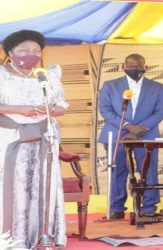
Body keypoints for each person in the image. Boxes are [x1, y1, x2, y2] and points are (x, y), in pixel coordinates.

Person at [0, 30, 68, 248]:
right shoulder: (2, 75)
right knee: (12, 189)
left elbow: (62, 106)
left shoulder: (46, 76)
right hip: (10, 141)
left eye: (36, 50)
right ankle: (12, 239)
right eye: (25, 50)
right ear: (11, 52)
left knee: (42, 187)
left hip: (43, 141)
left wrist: (51, 109)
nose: (32, 54)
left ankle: (42, 234)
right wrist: (17, 108)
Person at [98, 53, 163, 219]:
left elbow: (160, 111)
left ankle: (149, 207)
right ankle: (116, 208)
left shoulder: (158, 87)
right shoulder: (110, 85)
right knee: (117, 171)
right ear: (124, 67)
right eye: (130, 67)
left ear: (145, 68)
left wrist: (142, 128)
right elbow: (105, 109)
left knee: (148, 171)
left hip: (146, 135)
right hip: (117, 134)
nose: (134, 70)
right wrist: (128, 126)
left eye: (138, 67)